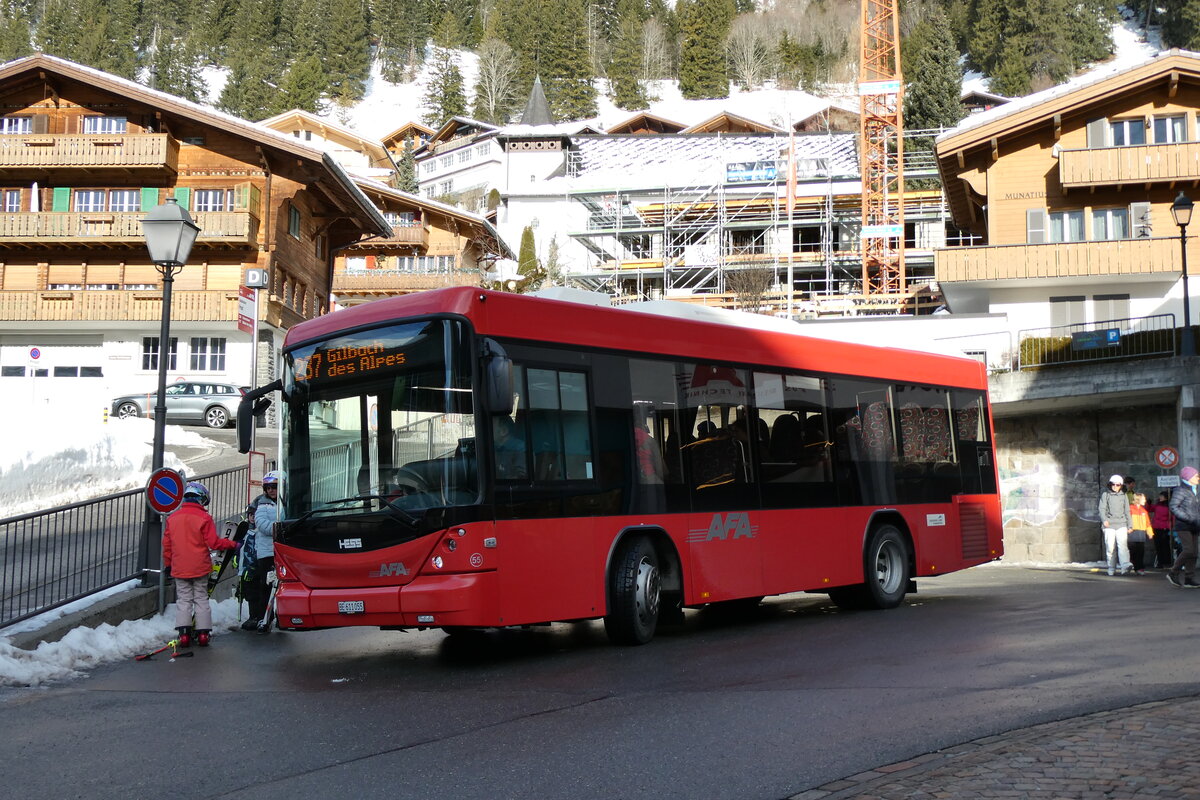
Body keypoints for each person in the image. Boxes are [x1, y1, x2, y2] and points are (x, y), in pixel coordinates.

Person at [162, 481, 237, 647]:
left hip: (179, 567)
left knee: (184, 600)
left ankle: (184, 635)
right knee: (201, 599)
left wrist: (168, 564)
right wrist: (232, 544)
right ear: (201, 499)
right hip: (200, 566)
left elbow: (167, 545)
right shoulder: (204, 518)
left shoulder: (172, 518)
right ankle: (203, 634)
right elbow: (214, 543)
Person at [241, 470, 280, 631]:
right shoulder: (262, 503)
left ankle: (280, 615)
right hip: (266, 553)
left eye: (274, 487)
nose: (271, 490)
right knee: (266, 585)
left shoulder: (285, 501)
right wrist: (281, 528)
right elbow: (262, 525)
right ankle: (263, 618)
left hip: (283, 550)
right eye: (268, 487)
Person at [1167, 465, 1200, 588]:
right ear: (1189, 477)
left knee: (1194, 553)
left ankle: (1189, 579)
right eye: (1196, 476)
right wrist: (1188, 517)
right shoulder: (1181, 490)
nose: (1198, 478)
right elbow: (1173, 506)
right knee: (1188, 550)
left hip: (1194, 525)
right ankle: (1173, 572)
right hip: (1184, 525)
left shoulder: (1194, 490)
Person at [1098, 474, 1132, 577]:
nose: (1115, 486)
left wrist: (1130, 525)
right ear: (1110, 484)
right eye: (1113, 484)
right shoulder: (1105, 495)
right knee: (1110, 547)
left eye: (1117, 485)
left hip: (1122, 524)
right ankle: (1111, 567)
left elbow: (1127, 511)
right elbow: (1102, 509)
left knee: (1123, 546)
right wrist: (1104, 520)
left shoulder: (1124, 496)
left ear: (1121, 485)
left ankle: (1125, 566)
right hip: (1109, 525)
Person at [1128, 492, 1153, 575]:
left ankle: (1139, 568)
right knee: (1132, 550)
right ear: (1138, 499)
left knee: (1140, 551)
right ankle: (1133, 565)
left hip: (1141, 533)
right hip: (1132, 532)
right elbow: (1126, 519)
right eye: (1143, 499)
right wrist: (1127, 528)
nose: (1145, 500)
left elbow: (1147, 523)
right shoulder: (1130, 509)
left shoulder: (1143, 510)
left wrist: (1150, 532)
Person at [1148, 490, 1174, 568]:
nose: (1160, 497)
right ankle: (1161, 562)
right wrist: (1148, 504)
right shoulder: (1158, 504)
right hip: (1157, 527)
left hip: (1164, 528)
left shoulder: (1169, 506)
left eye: (1161, 496)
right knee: (1158, 546)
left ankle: (1166, 561)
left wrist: (1172, 526)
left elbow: (1172, 517)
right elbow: (1149, 509)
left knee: (1165, 546)